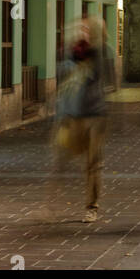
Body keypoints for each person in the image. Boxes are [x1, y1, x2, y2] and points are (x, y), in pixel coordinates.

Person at [55, 17, 117, 223]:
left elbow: (100, 75)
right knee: (62, 158)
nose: (83, 31)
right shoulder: (73, 52)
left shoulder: (100, 53)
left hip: (95, 116)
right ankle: (53, 203)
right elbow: (63, 77)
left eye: (88, 29)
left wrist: (86, 51)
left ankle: (92, 206)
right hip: (73, 115)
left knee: (93, 163)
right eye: (81, 28)